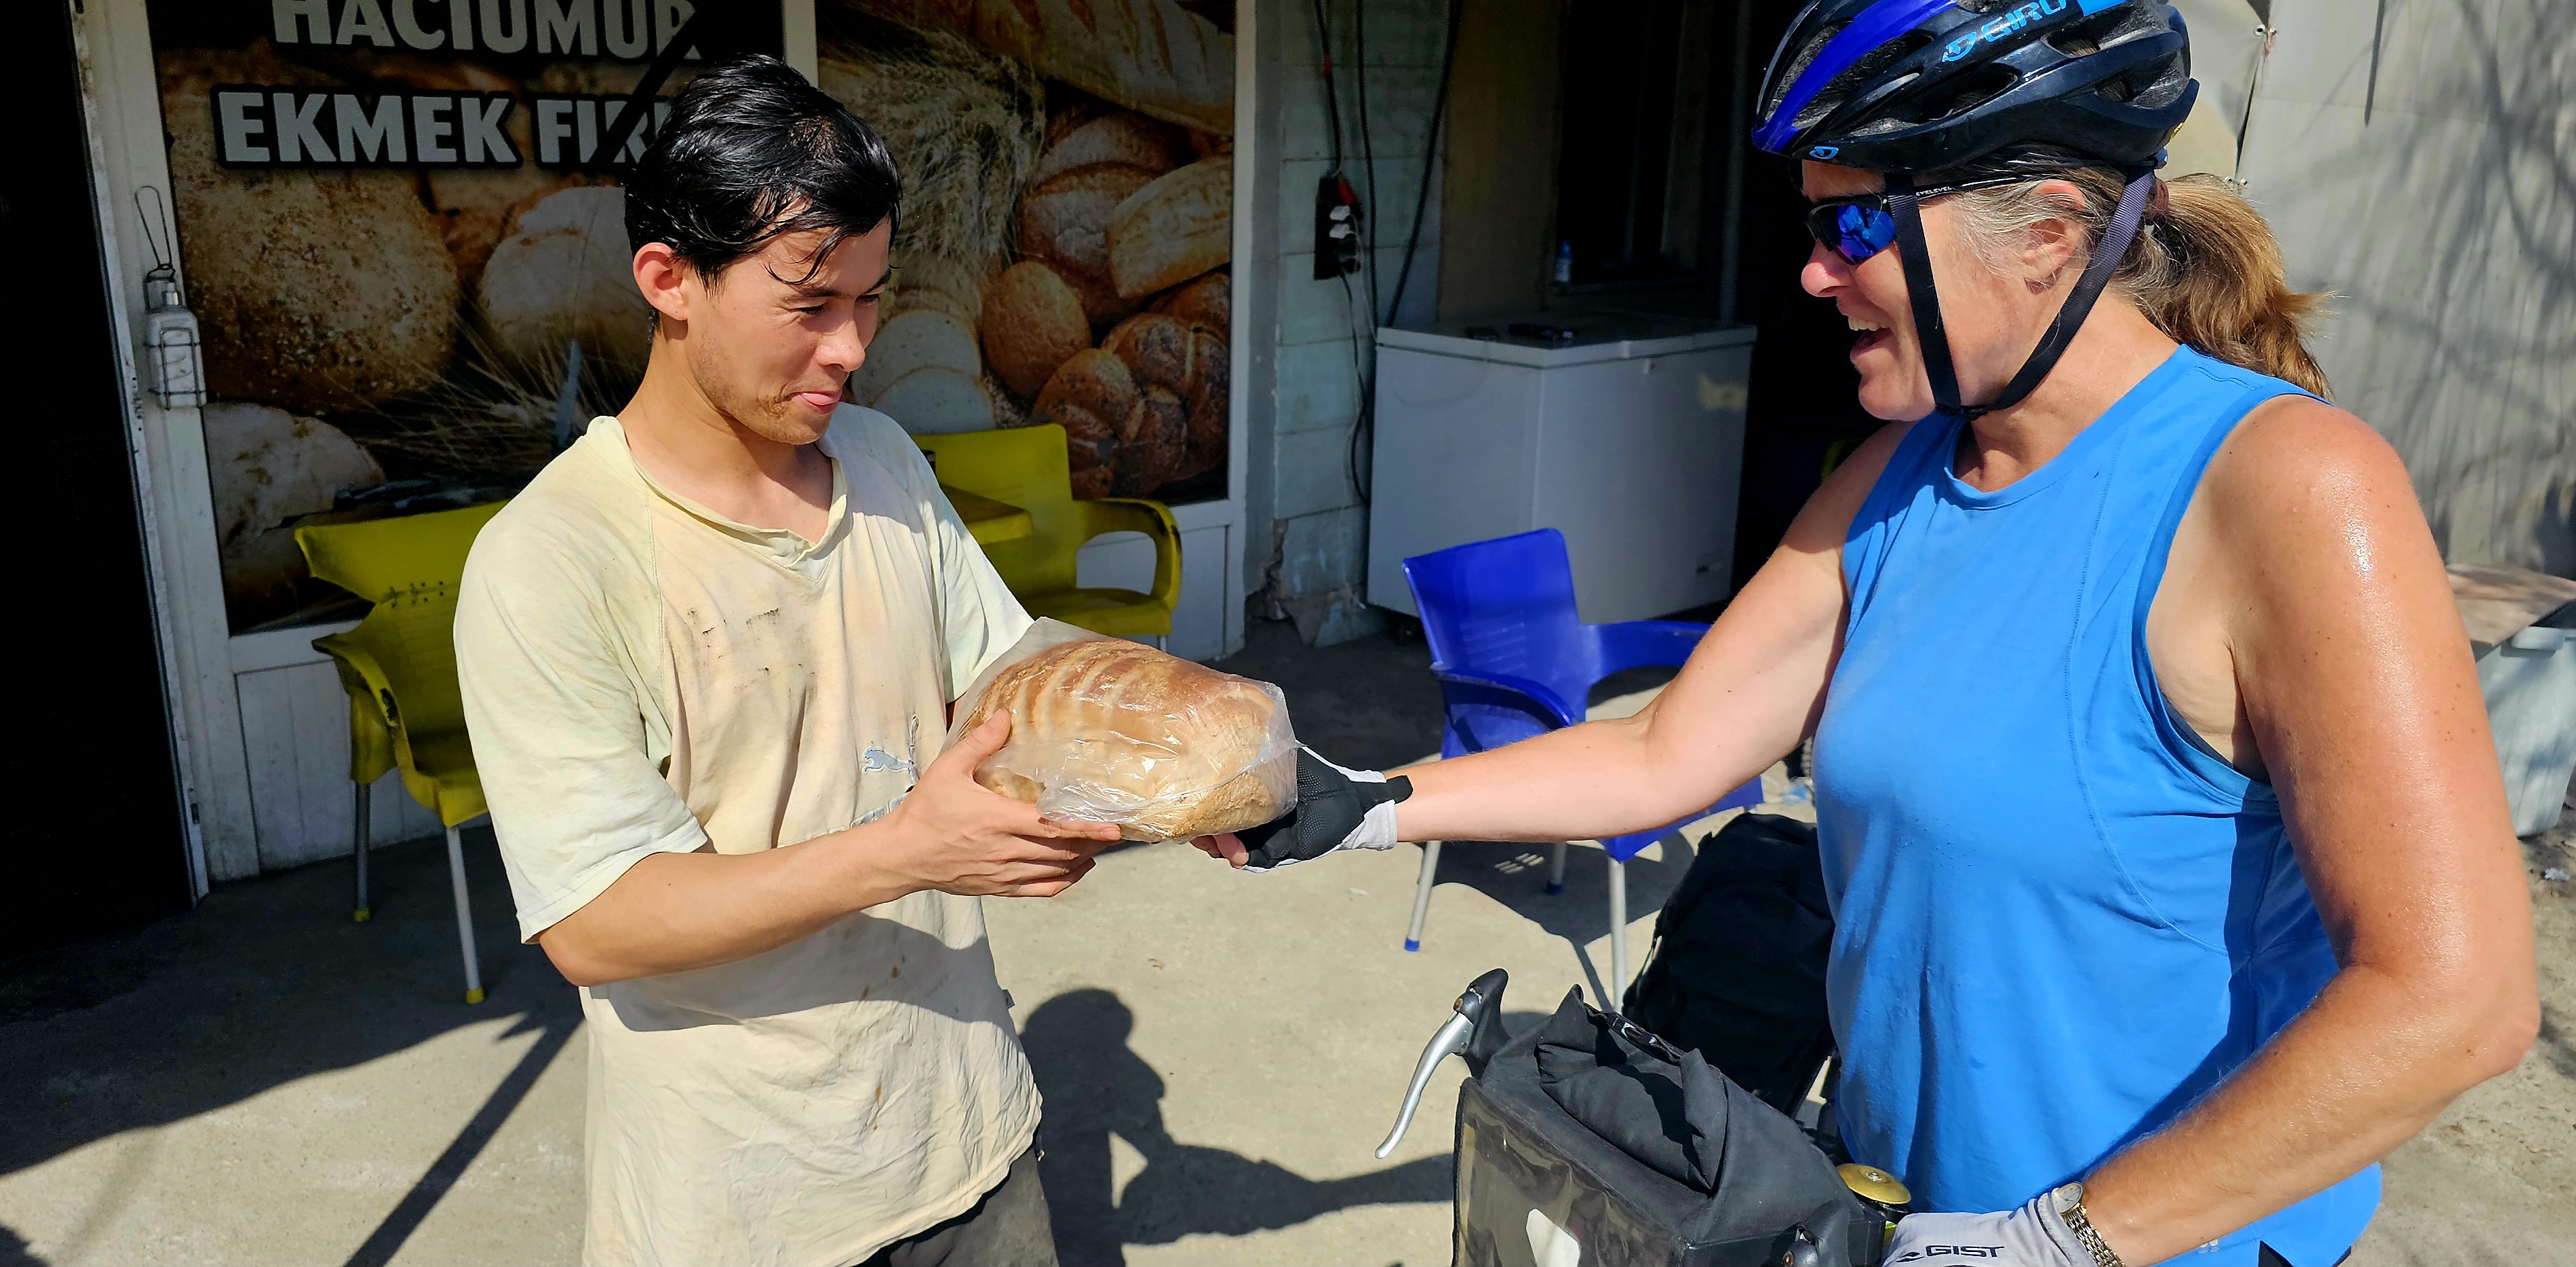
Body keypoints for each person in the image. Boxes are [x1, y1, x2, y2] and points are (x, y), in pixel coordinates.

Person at [1209, 3, 2538, 1264]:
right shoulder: (1902, 475)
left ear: (2048, 235)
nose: (1810, 272)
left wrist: (2066, 1237)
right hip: (1898, 1214)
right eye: (1813, 223)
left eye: (1856, 227)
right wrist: (1366, 802)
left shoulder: (2288, 488)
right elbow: (1666, 752)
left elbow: (2453, 998)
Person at [455, 56, 1121, 1267]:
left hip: (967, 1139)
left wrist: (1189, 752)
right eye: (811, 305)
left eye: (869, 300)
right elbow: (595, 924)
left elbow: (1006, 674)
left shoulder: (883, 459)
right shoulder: (551, 560)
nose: (852, 349)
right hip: (741, 1201)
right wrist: (907, 851)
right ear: (670, 280)